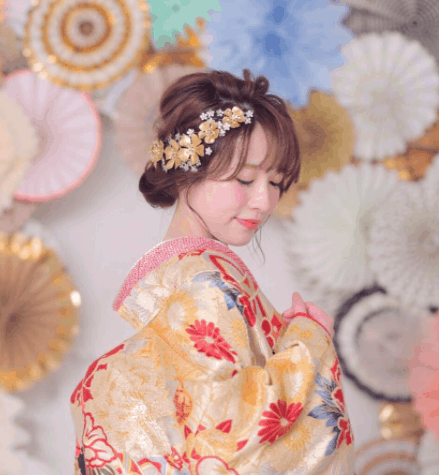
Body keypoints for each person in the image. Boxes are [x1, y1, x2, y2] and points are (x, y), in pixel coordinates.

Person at [70, 69, 355, 474]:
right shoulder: (205, 286)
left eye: (276, 183)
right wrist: (309, 342)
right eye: (245, 179)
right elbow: (233, 442)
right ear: (190, 168)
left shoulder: (186, 279)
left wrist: (280, 341)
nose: (264, 201)